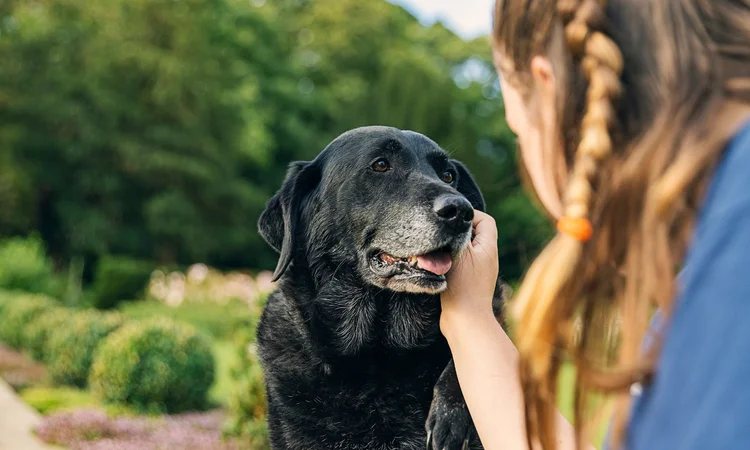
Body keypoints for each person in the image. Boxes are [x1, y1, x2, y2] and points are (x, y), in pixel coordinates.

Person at [440, 0, 750, 449]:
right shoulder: (710, 263)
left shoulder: (732, 271)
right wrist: (470, 319)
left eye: (517, 131)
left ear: (547, 92)